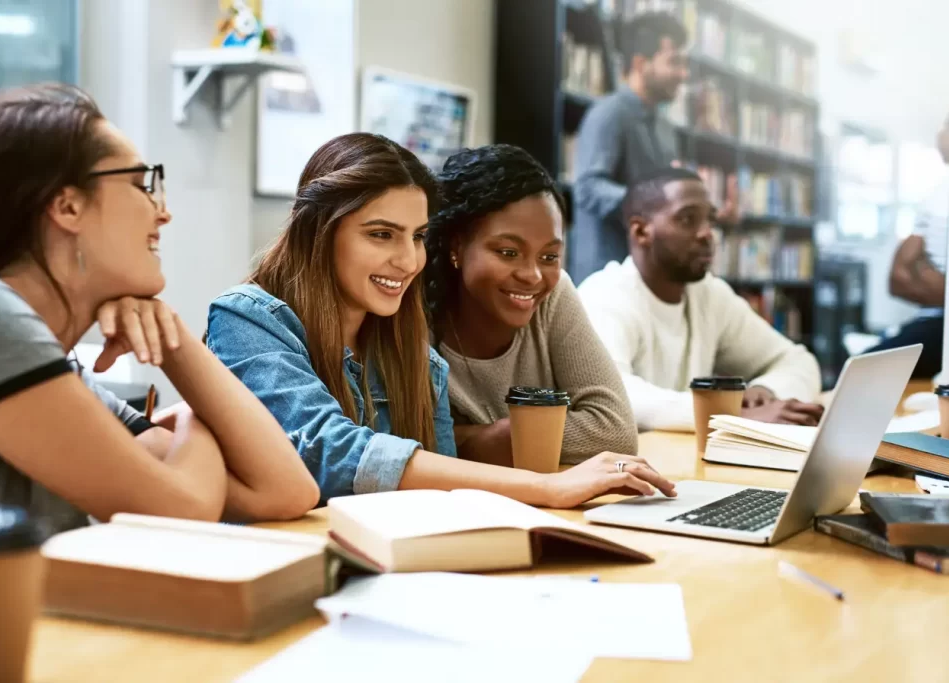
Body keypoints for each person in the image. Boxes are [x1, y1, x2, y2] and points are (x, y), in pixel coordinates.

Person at [206, 133, 675, 508]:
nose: (407, 259)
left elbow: (445, 493)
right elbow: (332, 454)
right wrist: (551, 488)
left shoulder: (410, 349)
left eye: (416, 237)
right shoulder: (246, 320)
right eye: (381, 235)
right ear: (319, 231)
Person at [0, 84, 319, 533]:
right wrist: (198, 416)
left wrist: (174, 341)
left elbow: (287, 490)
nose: (162, 213)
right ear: (67, 206)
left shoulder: (67, 378)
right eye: (142, 184)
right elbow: (182, 511)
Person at [423, 144, 638, 467]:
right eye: (508, 252)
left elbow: (615, 431)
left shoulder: (554, 294)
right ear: (457, 245)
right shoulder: (416, 307)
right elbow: (406, 442)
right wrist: (525, 435)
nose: (533, 275)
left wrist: (481, 437)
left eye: (549, 256)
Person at [578, 167, 823, 432]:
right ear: (640, 232)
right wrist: (732, 415)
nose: (708, 234)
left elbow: (798, 360)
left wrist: (765, 390)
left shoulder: (709, 294)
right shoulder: (605, 295)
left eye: (711, 221)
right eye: (687, 219)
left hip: (683, 461)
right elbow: (613, 394)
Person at [570, 12, 737, 283]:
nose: (683, 75)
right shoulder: (608, 115)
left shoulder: (666, 127)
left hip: (652, 279)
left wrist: (706, 211)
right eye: (674, 62)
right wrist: (655, 204)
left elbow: (668, 198)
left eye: (685, 65)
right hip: (607, 280)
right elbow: (588, 189)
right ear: (640, 63)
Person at [868, 97, 949, 378]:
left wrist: (933, 280)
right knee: (866, 367)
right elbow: (898, 277)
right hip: (942, 323)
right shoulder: (937, 195)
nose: (940, 134)